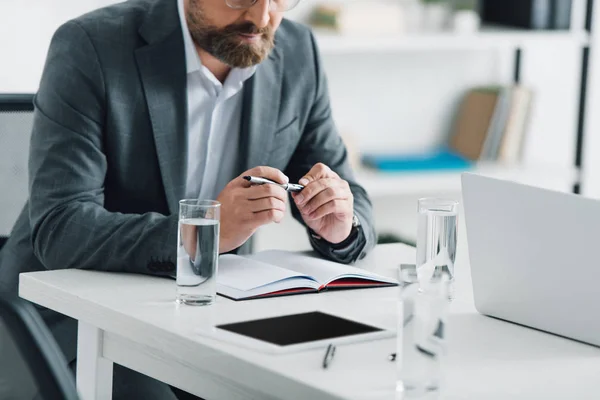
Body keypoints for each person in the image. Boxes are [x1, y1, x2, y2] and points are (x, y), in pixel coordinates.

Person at [0, 0, 376, 398]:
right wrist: (200, 236)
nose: (263, 18)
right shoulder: (91, 45)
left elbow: (354, 200)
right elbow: (61, 224)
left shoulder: (298, 50)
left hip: (209, 314)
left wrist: (339, 226)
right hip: (66, 317)